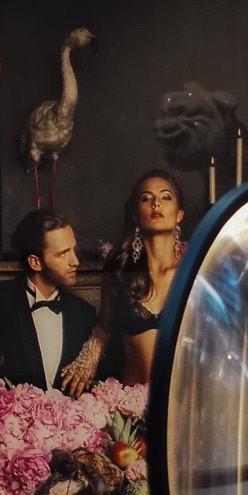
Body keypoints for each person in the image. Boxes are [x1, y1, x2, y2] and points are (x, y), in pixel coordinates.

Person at [60, 168, 186, 395]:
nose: (156, 203)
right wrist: (86, 360)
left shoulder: (194, 273)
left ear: (179, 214)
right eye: (146, 198)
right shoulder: (120, 273)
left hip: (179, 401)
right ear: (135, 216)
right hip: (128, 402)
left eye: (166, 197)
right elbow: (103, 327)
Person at [0, 209, 95, 390]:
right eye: (63, 253)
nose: (75, 261)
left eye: (73, 249)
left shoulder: (84, 312)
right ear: (35, 262)